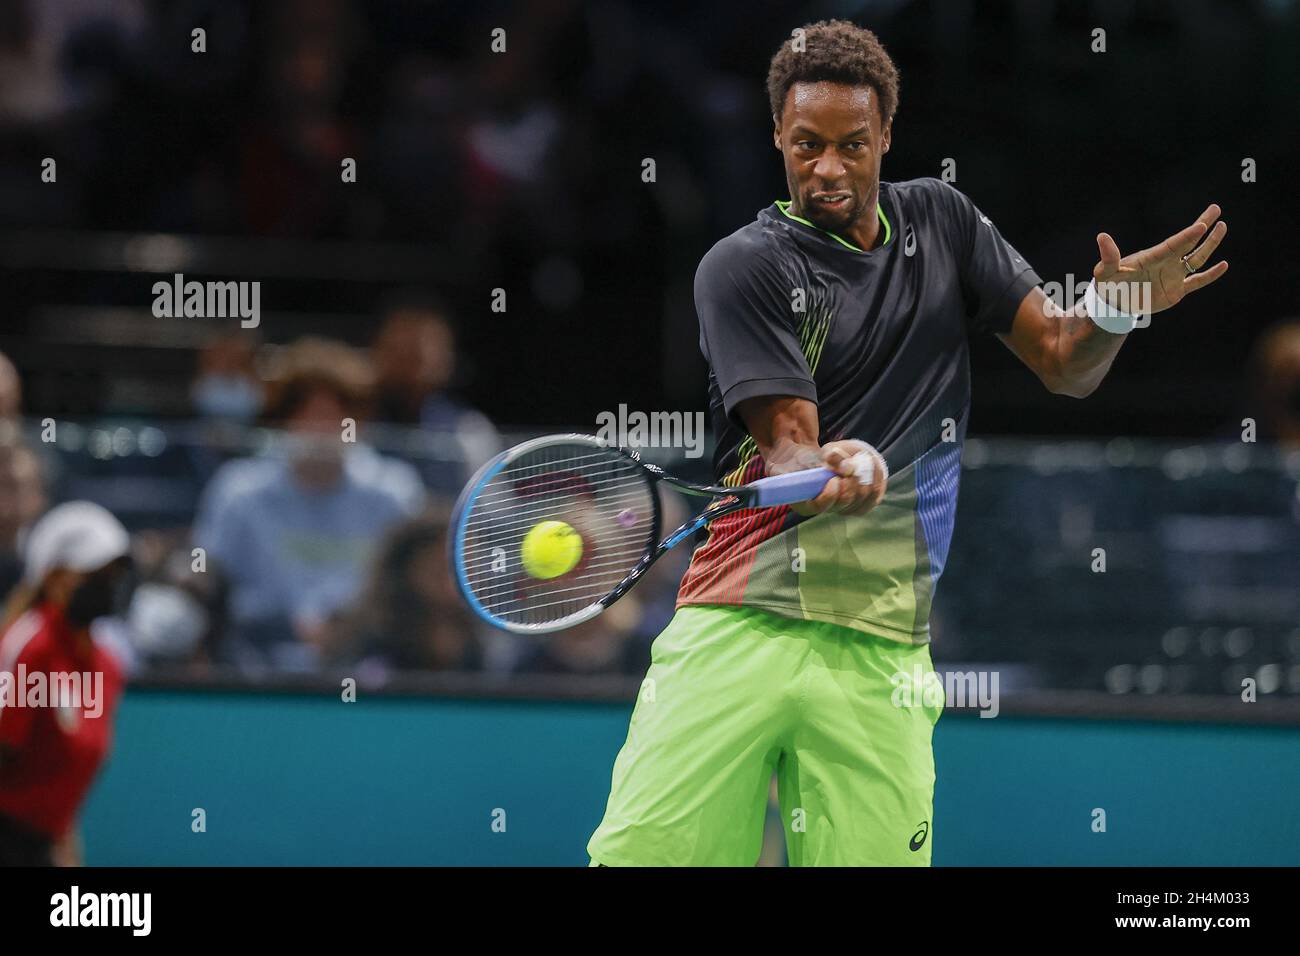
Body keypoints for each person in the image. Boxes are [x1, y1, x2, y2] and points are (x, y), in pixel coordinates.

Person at [586, 19, 1229, 867]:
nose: (828, 169)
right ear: (777, 134)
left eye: (853, 145)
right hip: (738, 625)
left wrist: (1115, 310)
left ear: (886, 135)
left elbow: (1066, 363)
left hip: (885, 649)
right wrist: (828, 467)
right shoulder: (742, 266)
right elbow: (785, 445)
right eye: (806, 144)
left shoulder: (944, 222)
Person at [192, 337, 425, 671]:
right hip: (254, 669)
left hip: (369, 669)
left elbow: (409, 598)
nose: (322, 431)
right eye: (310, 416)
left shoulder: (395, 492)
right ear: (284, 420)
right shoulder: (237, 491)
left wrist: (353, 628)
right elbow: (208, 584)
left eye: (336, 417)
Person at [0, 501, 133, 866]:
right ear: (54, 578)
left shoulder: (107, 668)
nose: (110, 585)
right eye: (96, 573)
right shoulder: (31, 646)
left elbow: (63, 791)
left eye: (115, 574)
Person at [371, 291, 501, 497]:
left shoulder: (470, 430)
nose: (407, 366)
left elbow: (490, 514)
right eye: (398, 351)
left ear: (446, 360)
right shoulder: (354, 423)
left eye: (417, 355)